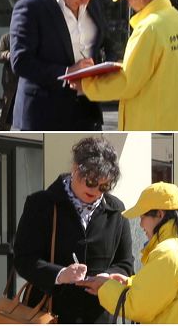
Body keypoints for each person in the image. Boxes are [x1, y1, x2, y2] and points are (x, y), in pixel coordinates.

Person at [13, 137, 134, 323]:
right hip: (51, 314)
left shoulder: (116, 210)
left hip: (99, 316)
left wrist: (107, 277)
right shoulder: (41, 204)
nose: (96, 191)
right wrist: (60, 275)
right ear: (76, 169)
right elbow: (23, 259)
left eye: (105, 186)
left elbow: (125, 263)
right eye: (92, 182)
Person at [70, 0, 178, 131]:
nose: (129, 5)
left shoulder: (148, 29)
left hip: (150, 125)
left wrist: (86, 85)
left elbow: (127, 82)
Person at [76, 182, 178, 323]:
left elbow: (135, 306)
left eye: (143, 217)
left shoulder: (166, 253)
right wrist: (129, 282)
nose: (140, 224)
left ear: (160, 214)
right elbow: (167, 286)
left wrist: (103, 287)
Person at [10, 0, 117, 131]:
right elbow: (21, 62)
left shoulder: (91, 3)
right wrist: (67, 73)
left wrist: (106, 68)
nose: (87, 1)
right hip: (44, 114)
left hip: (87, 112)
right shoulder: (30, 7)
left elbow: (107, 43)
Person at [0, 33, 18, 131]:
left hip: (25, 80)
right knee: (7, 110)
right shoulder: (6, 38)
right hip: (10, 81)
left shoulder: (28, 36)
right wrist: (7, 54)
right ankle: (3, 131)